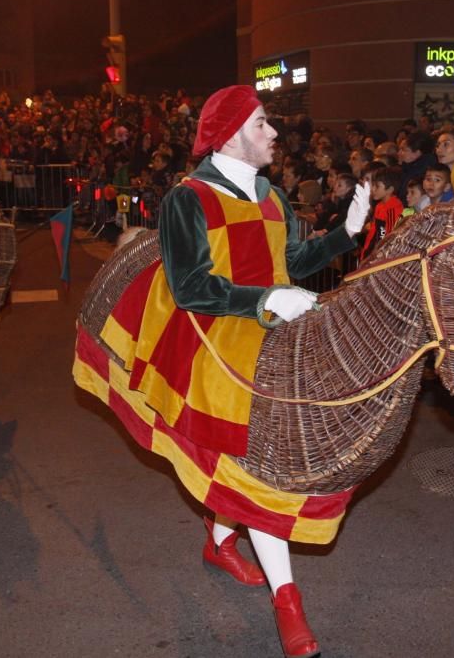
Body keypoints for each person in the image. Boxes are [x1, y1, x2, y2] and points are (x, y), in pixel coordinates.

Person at [100, 86, 370, 658]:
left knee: (273, 451)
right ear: (229, 134)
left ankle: (220, 539)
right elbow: (192, 288)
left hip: (277, 324)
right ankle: (288, 601)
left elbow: (293, 262)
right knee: (260, 468)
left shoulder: (272, 195)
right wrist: (267, 301)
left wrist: (345, 234)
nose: (274, 134)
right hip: (217, 334)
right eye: (263, 124)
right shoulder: (187, 199)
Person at [361, 165, 404, 260]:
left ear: (390, 189)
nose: (373, 189)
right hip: (371, 254)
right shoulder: (379, 206)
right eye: (373, 185)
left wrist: (379, 257)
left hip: (381, 258)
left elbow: (389, 237)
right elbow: (374, 233)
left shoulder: (393, 208)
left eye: (377, 186)